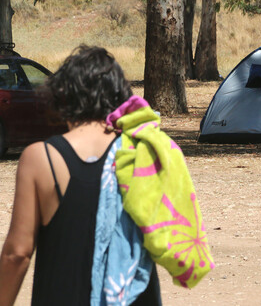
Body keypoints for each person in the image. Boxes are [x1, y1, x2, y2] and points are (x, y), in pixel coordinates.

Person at [0, 46, 161, 305]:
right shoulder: (143, 150)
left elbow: (18, 253)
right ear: (120, 97)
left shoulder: (41, 158)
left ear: (63, 97)